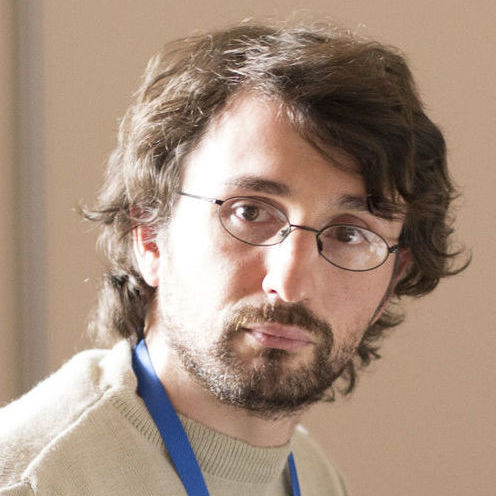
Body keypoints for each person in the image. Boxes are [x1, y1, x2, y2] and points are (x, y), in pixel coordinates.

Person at [0, 21, 467, 495]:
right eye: (250, 212)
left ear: (392, 281)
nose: (289, 284)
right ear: (150, 235)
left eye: (349, 234)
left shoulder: (312, 474)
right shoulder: (36, 482)